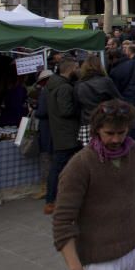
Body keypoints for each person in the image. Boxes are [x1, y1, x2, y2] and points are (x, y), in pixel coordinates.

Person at [53, 100, 135, 270]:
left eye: (121, 132)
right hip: (99, 262)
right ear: (96, 130)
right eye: (109, 133)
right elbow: (62, 223)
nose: (116, 139)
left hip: (133, 251)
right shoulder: (80, 165)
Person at [44, 58, 81, 215]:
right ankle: (51, 200)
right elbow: (66, 110)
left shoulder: (53, 84)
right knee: (60, 166)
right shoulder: (64, 87)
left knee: (60, 166)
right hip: (67, 133)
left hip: (60, 132)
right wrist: (79, 110)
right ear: (71, 69)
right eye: (77, 67)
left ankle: (54, 198)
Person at [108, 45, 135, 142]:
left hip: (126, 103)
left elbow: (115, 90)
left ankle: (131, 151)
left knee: (129, 128)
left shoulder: (115, 70)